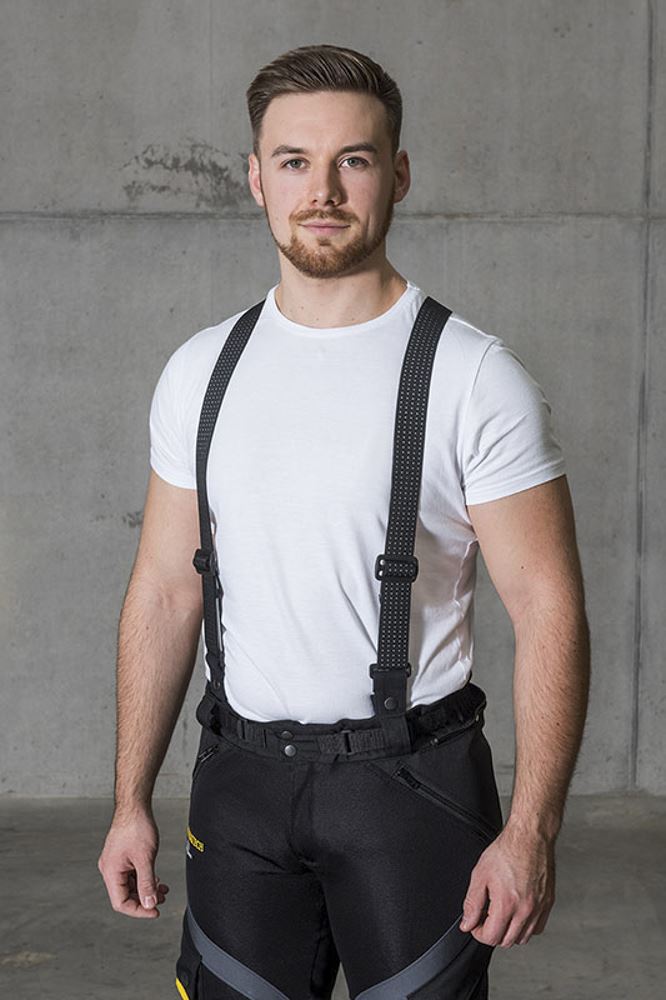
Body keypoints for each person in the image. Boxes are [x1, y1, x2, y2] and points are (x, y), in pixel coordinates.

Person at [98, 43, 590, 1000]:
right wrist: (129, 802)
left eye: (352, 160)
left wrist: (531, 830)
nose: (321, 190)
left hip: (412, 790)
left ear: (397, 174)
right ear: (256, 178)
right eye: (294, 161)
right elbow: (163, 592)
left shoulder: (474, 378)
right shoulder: (201, 371)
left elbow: (549, 608)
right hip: (239, 785)